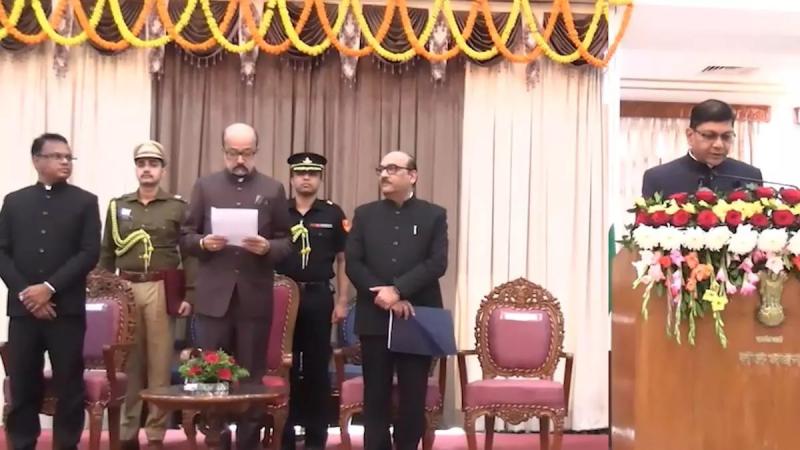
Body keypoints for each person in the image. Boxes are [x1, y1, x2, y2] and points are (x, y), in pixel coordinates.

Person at [180, 123, 292, 450]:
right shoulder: (205, 186)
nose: (240, 160)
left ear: (256, 152)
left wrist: (268, 247)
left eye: (246, 153)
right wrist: (203, 243)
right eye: (233, 153)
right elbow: (185, 237)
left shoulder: (272, 189)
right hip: (214, 299)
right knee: (210, 374)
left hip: (254, 298)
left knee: (251, 377)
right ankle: (215, 438)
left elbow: (287, 242)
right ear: (223, 151)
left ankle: (247, 442)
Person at [0, 133, 101, 450]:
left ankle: (66, 445)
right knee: (23, 384)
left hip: (65, 310)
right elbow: (2, 252)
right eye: (57, 156)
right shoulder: (14, 202)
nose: (65, 162)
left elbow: (89, 253)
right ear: (37, 160)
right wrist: (26, 294)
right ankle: (21, 444)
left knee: (69, 386)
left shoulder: (85, 202)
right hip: (23, 312)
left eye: (68, 157)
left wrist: (48, 288)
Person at [345, 151, 448, 450]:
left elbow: (437, 263)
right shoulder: (365, 214)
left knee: (412, 397)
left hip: (417, 317)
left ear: (412, 175)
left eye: (392, 169)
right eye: (381, 169)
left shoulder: (433, 215)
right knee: (375, 396)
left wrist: (399, 290)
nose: (384, 175)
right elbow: (354, 263)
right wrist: (385, 296)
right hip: (375, 315)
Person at [98, 141, 195, 450]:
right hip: (124, 289)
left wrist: (190, 294)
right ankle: (127, 434)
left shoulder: (177, 207)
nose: (147, 169)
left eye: (153, 164)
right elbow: (106, 253)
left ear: (163, 170)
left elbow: (189, 255)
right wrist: (102, 294)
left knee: (158, 363)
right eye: (141, 164)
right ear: (136, 168)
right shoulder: (118, 206)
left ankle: (155, 434)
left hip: (159, 287)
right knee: (129, 363)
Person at [277, 152, 350, 450]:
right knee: (285, 366)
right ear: (292, 178)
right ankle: (284, 435)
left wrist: (342, 300)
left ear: (320, 179)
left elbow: (343, 260)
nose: (306, 178)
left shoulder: (332, 213)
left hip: (319, 297)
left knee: (317, 368)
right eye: (300, 173)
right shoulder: (279, 212)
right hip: (283, 299)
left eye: (312, 174)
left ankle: (316, 437)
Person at [641, 99, 763, 198]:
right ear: (690, 135)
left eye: (726, 136)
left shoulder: (750, 175)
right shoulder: (658, 177)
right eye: (709, 136)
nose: (719, 145)